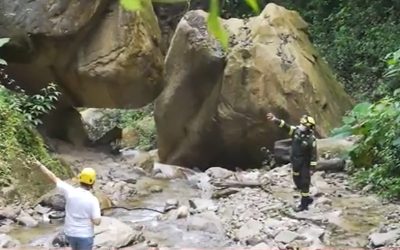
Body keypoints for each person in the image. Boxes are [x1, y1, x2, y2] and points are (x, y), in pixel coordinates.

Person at [36, 160, 101, 250]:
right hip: (85, 235)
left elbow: (53, 178)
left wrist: (39, 165)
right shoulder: (93, 200)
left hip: (70, 233)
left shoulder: (70, 191)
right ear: (93, 182)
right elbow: (97, 222)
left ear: (80, 179)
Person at [266, 113, 318, 211]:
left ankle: (304, 205)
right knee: (297, 181)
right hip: (295, 162)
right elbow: (285, 126)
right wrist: (275, 119)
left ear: (308, 127)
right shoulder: (296, 131)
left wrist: (312, 168)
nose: (301, 126)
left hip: (305, 163)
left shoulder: (311, 139)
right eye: (301, 124)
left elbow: (314, 155)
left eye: (303, 125)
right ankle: (307, 198)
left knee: (304, 182)